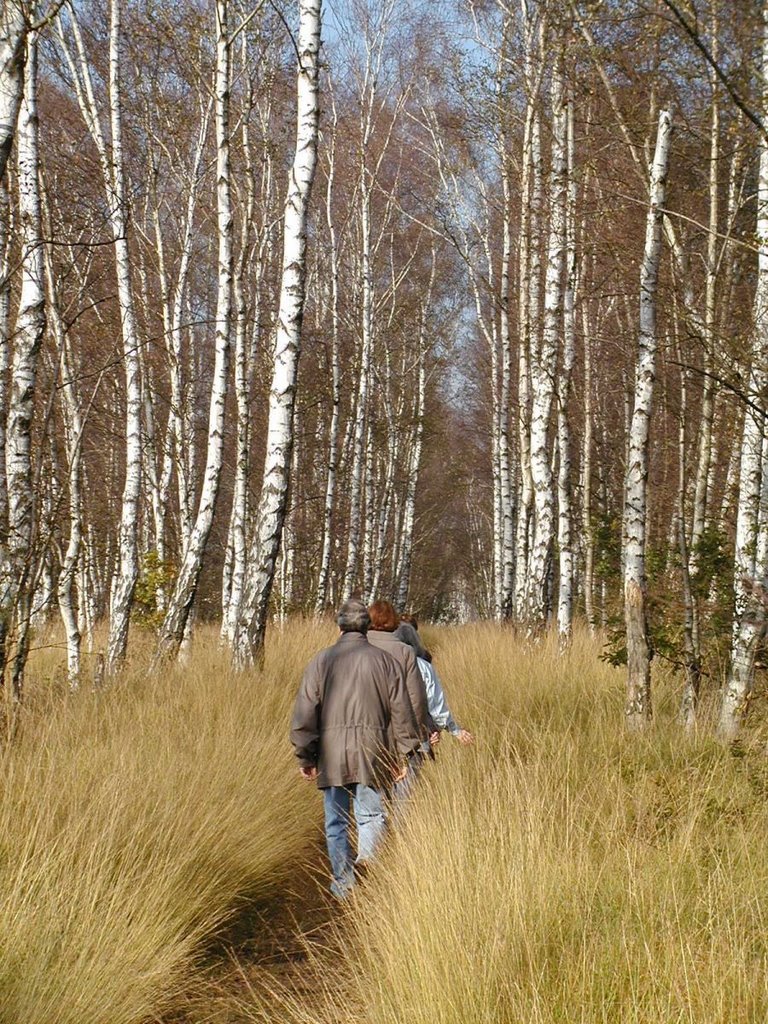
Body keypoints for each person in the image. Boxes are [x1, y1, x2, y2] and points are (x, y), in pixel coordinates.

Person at [290, 597, 421, 899]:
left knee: (335, 820)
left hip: (331, 754)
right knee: (370, 815)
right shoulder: (386, 662)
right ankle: (367, 865)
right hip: (373, 752)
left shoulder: (321, 661)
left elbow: (304, 712)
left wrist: (305, 754)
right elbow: (402, 711)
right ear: (365, 626)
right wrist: (404, 753)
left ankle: (343, 881)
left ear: (339, 626)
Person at [367, 599, 438, 802]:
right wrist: (416, 737)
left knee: (374, 791)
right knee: (404, 786)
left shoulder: (357, 648)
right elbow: (415, 698)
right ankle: (397, 830)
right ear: (394, 622)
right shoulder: (405, 652)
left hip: (367, 728)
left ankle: (377, 824)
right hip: (400, 728)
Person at [398, 614, 474, 746]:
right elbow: (434, 703)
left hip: (385, 735)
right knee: (413, 764)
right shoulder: (423, 666)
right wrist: (453, 730)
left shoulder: (380, 662)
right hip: (416, 735)